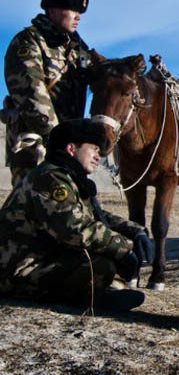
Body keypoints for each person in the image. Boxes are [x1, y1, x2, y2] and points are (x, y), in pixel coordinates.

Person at [0, 118, 153, 312]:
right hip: (18, 271)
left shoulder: (66, 176)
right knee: (101, 266)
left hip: (42, 259)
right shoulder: (50, 178)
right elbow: (74, 229)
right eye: (94, 149)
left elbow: (93, 216)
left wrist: (135, 231)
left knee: (104, 260)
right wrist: (124, 248)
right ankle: (92, 299)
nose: (99, 156)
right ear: (71, 149)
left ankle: (101, 291)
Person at [3, 0, 96, 189]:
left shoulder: (78, 50)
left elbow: (102, 78)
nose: (78, 16)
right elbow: (31, 94)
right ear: (53, 11)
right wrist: (60, 142)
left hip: (68, 150)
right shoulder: (29, 41)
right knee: (33, 211)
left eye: (80, 12)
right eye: (72, 10)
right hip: (34, 149)